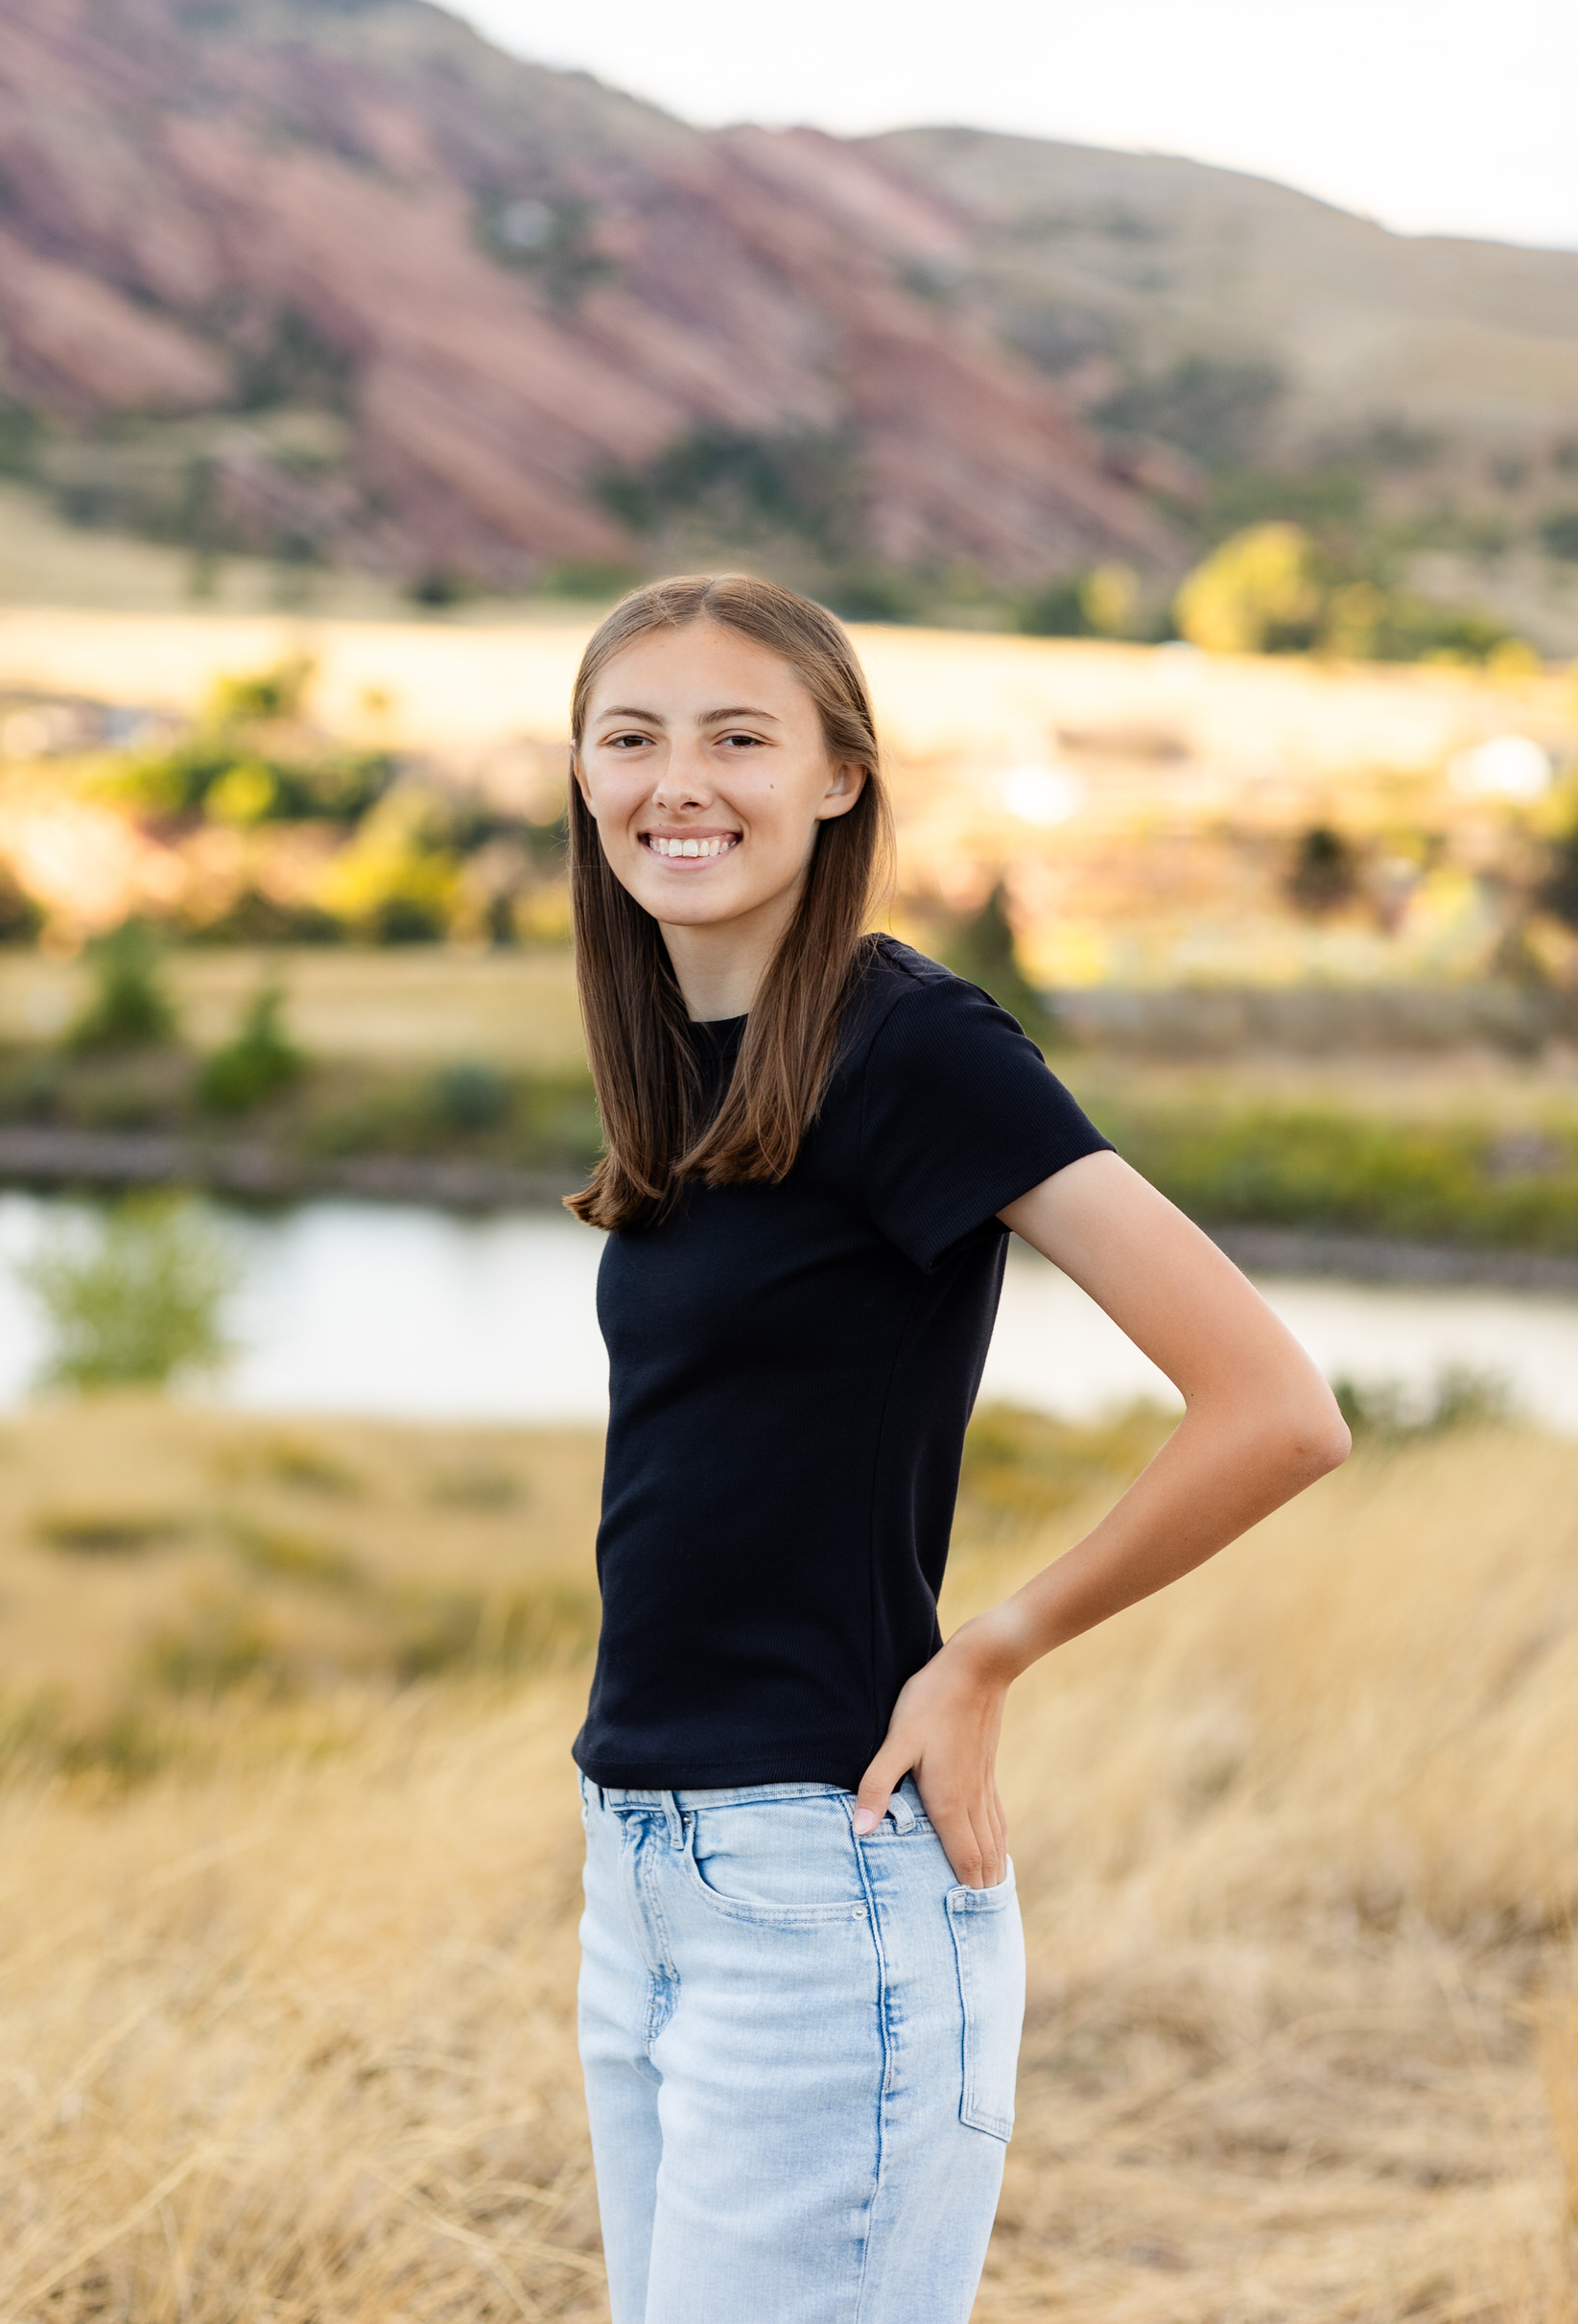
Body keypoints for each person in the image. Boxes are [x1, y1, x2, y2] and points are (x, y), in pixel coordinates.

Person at [564, 574, 1349, 2324]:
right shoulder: (685, 1057)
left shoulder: (909, 1041)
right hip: (647, 1867)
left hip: (813, 1880)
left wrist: (991, 1651)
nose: (675, 781)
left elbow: (1276, 1406)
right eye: (631, 739)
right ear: (581, 779)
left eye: (737, 737)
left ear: (841, 775)